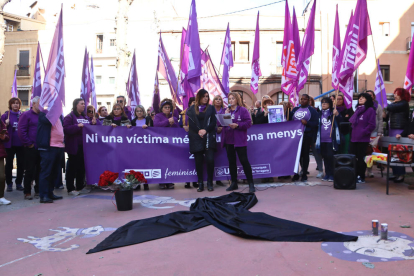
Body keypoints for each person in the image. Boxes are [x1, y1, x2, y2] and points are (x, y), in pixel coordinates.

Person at [64, 98, 99, 196]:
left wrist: (94, 123)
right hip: (74, 147)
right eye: (82, 104)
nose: (84, 105)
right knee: (72, 168)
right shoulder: (69, 117)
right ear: (76, 105)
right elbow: (66, 129)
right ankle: (70, 188)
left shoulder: (85, 117)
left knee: (81, 167)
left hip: (85, 147)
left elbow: (91, 127)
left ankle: (80, 186)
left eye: (84, 104)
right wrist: (77, 126)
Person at [221, 92, 255, 193]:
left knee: (244, 161)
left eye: (233, 98)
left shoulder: (243, 110)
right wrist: (225, 115)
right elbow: (221, 123)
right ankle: (234, 183)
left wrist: (237, 125)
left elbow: (249, 123)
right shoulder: (225, 110)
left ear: (237, 100)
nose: (231, 100)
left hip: (240, 140)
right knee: (232, 162)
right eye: (229, 99)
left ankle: (251, 184)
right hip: (229, 140)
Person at [186, 89, 217, 192]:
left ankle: (209, 182)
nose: (205, 98)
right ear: (199, 97)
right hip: (196, 137)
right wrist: (199, 131)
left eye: (207, 96)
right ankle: (200, 183)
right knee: (198, 162)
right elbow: (191, 124)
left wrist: (205, 130)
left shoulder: (211, 108)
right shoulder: (191, 109)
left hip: (208, 137)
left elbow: (213, 123)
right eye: (204, 96)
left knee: (210, 160)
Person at [37, 110, 65, 203]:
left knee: (54, 172)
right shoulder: (44, 113)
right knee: (46, 171)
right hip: (49, 147)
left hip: (59, 146)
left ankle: (50, 192)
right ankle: (44, 195)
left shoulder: (59, 114)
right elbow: (47, 121)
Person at [290, 94, 319, 182]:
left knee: (305, 154)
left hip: (306, 135)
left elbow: (315, 123)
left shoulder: (312, 111)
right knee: (296, 156)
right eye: (301, 99)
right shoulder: (295, 109)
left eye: (304, 99)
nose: (302, 100)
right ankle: (296, 173)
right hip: (295, 136)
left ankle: (304, 173)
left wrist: (307, 123)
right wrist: (286, 110)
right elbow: (289, 120)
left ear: (309, 100)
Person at [349, 93, 376, 184]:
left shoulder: (370, 110)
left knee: (361, 158)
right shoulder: (357, 109)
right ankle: (355, 174)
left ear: (367, 100)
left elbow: (372, 125)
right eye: (359, 98)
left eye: (363, 98)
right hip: (354, 137)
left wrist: (363, 132)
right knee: (353, 158)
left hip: (363, 138)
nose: (360, 99)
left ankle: (361, 176)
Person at [18, 96, 41, 200]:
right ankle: (27, 192)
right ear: (34, 104)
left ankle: (38, 190)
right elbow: (21, 131)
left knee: (40, 170)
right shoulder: (26, 115)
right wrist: (28, 144)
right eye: (40, 103)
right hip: (30, 147)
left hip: (41, 147)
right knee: (29, 170)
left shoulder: (43, 115)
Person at [153, 99, 178, 189]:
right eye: (165, 107)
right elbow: (156, 125)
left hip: (171, 143)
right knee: (161, 162)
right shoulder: (158, 116)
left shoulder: (173, 117)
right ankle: (162, 181)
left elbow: (177, 128)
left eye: (169, 107)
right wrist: (167, 121)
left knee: (170, 162)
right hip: (161, 143)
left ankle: (169, 181)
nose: (167, 109)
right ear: (162, 109)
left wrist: (173, 122)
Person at [387, 88, 411, 182]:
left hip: (399, 130)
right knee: (392, 152)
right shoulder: (396, 104)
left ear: (402, 95)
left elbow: (390, 107)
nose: (395, 95)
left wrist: (388, 102)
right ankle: (395, 173)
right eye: (394, 93)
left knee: (399, 152)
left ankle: (401, 175)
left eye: (397, 94)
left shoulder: (404, 103)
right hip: (392, 129)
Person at [0, 98, 24, 192]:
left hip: (21, 144)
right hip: (9, 145)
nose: (15, 105)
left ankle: (19, 183)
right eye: (13, 103)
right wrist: (6, 125)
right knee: (9, 165)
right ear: (10, 105)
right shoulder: (5, 116)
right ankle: (9, 184)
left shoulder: (22, 115)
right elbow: (1, 129)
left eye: (17, 103)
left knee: (21, 165)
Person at [316, 97, 341, 182]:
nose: (323, 104)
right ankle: (327, 174)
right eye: (322, 102)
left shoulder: (333, 113)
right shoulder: (319, 114)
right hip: (322, 140)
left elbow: (341, 122)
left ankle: (332, 174)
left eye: (326, 103)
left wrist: (337, 115)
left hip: (331, 140)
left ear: (330, 104)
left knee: (331, 157)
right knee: (325, 157)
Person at [179, 97, 198, 189]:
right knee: (187, 160)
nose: (194, 104)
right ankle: (187, 181)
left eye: (196, 102)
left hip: (196, 139)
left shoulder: (199, 113)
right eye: (193, 102)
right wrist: (183, 126)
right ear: (190, 104)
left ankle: (195, 181)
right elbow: (179, 125)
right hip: (185, 140)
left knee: (196, 160)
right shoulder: (183, 114)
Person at [366, 90, 384, 178]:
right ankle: (362, 170)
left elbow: (380, 120)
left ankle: (369, 170)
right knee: (364, 151)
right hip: (364, 132)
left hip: (374, 132)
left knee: (370, 152)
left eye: (371, 95)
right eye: (367, 95)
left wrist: (380, 132)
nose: (369, 96)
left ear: (373, 96)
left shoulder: (378, 106)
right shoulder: (361, 106)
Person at [396, 107, 414, 188]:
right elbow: (407, 127)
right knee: (412, 161)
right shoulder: (411, 114)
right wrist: (401, 134)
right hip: (411, 142)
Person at [309, 97, 324, 178]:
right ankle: (303, 170)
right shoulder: (299, 110)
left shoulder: (316, 111)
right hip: (304, 136)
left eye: (310, 101)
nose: (309, 103)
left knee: (317, 153)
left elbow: (316, 123)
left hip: (314, 135)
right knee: (303, 155)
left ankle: (321, 170)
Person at [212, 95, 225, 187]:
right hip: (213, 135)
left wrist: (222, 128)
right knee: (213, 157)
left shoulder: (225, 111)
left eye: (220, 99)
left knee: (222, 157)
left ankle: (220, 178)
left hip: (223, 135)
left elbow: (227, 122)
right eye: (216, 99)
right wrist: (216, 129)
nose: (218, 101)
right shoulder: (210, 110)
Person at [0, 117, 11, 205]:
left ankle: (1, 197)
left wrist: (4, 136)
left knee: (1, 176)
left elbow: (7, 137)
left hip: (0, 153)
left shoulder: (0, 122)